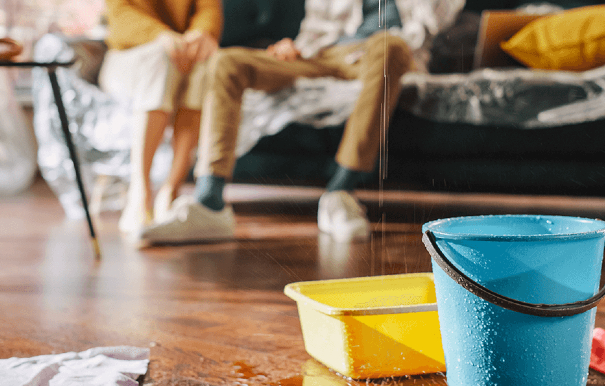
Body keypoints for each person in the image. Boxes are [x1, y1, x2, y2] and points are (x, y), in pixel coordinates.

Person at [140, 0, 465, 244]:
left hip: (380, 52)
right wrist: (295, 46)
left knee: (389, 45)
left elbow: (427, 24)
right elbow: (317, 28)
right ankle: (209, 202)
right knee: (227, 62)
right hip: (322, 55)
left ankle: (340, 192)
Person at [98, 0, 222, 234]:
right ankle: (140, 191)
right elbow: (120, 12)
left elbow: (208, 9)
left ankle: (171, 189)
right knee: (160, 58)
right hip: (129, 55)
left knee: (208, 65)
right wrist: (161, 35)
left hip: (184, 53)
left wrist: (199, 35)